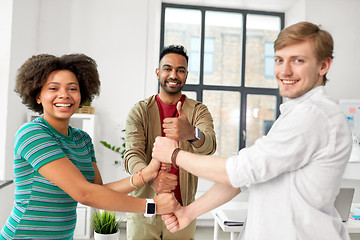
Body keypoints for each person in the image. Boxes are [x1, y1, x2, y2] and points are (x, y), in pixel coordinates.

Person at [153, 22, 353, 240]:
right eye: (279, 60)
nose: (284, 71)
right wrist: (188, 213)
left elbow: (239, 169)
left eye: (298, 60)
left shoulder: (313, 115)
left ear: (323, 65)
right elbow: (245, 178)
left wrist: (175, 154)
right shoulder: (292, 115)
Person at [0, 54, 177, 240]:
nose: (64, 95)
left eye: (72, 88)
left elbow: (98, 191)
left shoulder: (82, 139)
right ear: (37, 95)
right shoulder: (32, 134)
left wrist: (146, 174)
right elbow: (84, 193)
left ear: (82, 94)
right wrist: (152, 206)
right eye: (53, 88)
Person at [124, 45, 216, 240]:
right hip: (145, 212)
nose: (173, 75)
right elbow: (132, 155)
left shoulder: (198, 111)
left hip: (183, 212)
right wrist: (151, 179)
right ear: (158, 72)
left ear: (186, 75)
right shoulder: (140, 111)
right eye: (167, 68)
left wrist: (190, 132)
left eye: (180, 70)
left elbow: (209, 147)